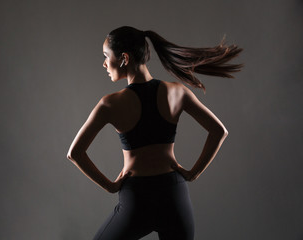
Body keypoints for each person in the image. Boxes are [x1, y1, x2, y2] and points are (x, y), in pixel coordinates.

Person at [67, 26, 243, 240]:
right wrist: (194, 173)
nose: (104, 63)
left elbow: (74, 153)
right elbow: (219, 131)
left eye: (106, 56)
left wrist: (110, 186)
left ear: (124, 58)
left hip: (137, 200)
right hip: (174, 196)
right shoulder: (177, 92)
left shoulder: (110, 104)